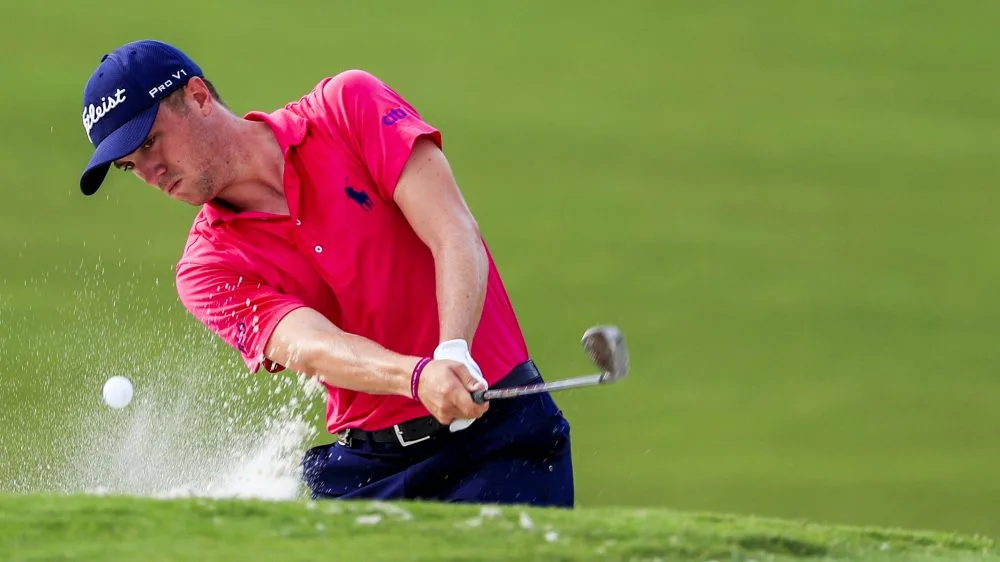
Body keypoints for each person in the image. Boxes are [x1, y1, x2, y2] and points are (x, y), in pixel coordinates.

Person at [77, 39, 574, 506]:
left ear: (199, 96)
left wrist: (454, 351)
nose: (148, 172)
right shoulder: (206, 268)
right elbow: (312, 346)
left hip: (501, 437)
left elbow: (453, 231)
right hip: (373, 469)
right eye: (129, 165)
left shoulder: (347, 107)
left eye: (149, 142)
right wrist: (418, 376)